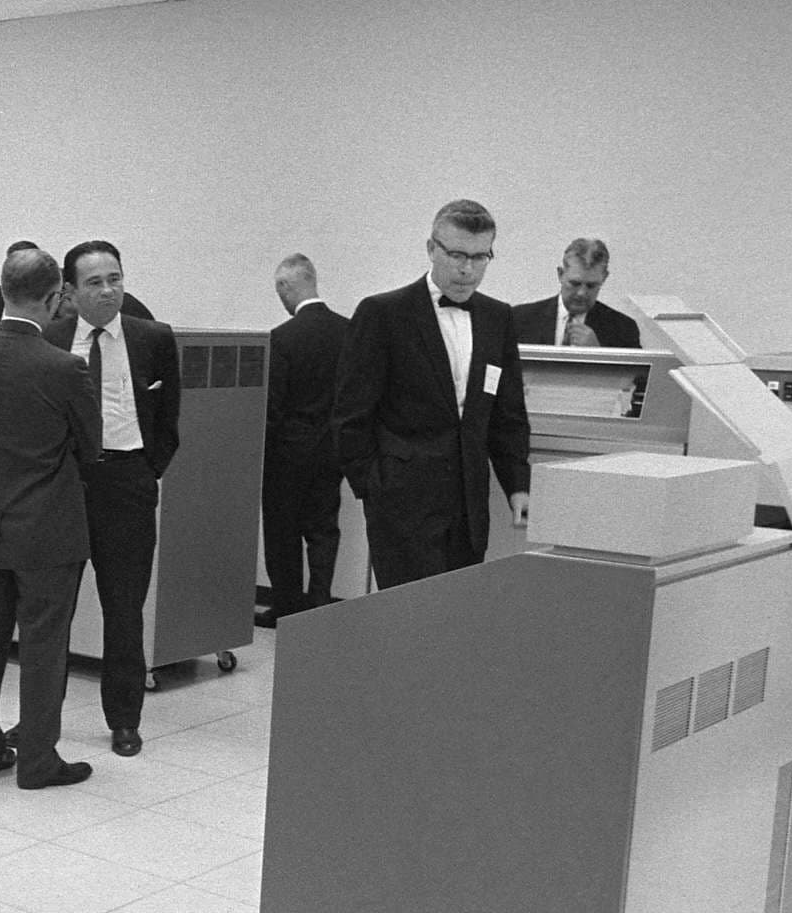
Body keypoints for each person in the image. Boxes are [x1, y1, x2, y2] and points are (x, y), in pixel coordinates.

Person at [0, 249, 101, 790]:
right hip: (46, 532)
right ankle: (38, 761)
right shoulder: (64, 368)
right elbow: (91, 447)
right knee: (42, 647)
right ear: (54, 295)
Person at [333, 199, 531, 590]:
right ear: (431, 249)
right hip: (401, 503)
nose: (467, 269)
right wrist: (375, 488)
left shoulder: (498, 317)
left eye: (479, 257)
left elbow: (507, 413)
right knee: (410, 621)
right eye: (456, 254)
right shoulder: (383, 313)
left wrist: (517, 484)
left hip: (469, 505)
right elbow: (350, 414)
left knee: (457, 618)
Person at [44, 241, 179, 758]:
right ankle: (41, 716)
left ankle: (124, 718)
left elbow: (169, 418)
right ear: (71, 292)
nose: (108, 290)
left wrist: (149, 470)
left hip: (128, 482)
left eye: (115, 278)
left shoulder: (152, 338)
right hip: (68, 485)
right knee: (53, 608)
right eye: (95, 282)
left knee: (124, 608)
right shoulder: (52, 339)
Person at [259, 253, 346, 626]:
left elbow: (273, 407)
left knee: (283, 532)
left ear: (286, 287)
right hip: (334, 449)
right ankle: (321, 599)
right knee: (324, 527)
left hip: (288, 453)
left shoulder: (282, 338)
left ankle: (286, 607)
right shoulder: (350, 330)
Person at [511, 238, 641, 347]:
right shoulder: (519, 320)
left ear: (604, 278)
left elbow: (638, 377)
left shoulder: (623, 329)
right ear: (561, 275)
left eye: (591, 286)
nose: (581, 293)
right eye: (575, 283)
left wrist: (600, 354)